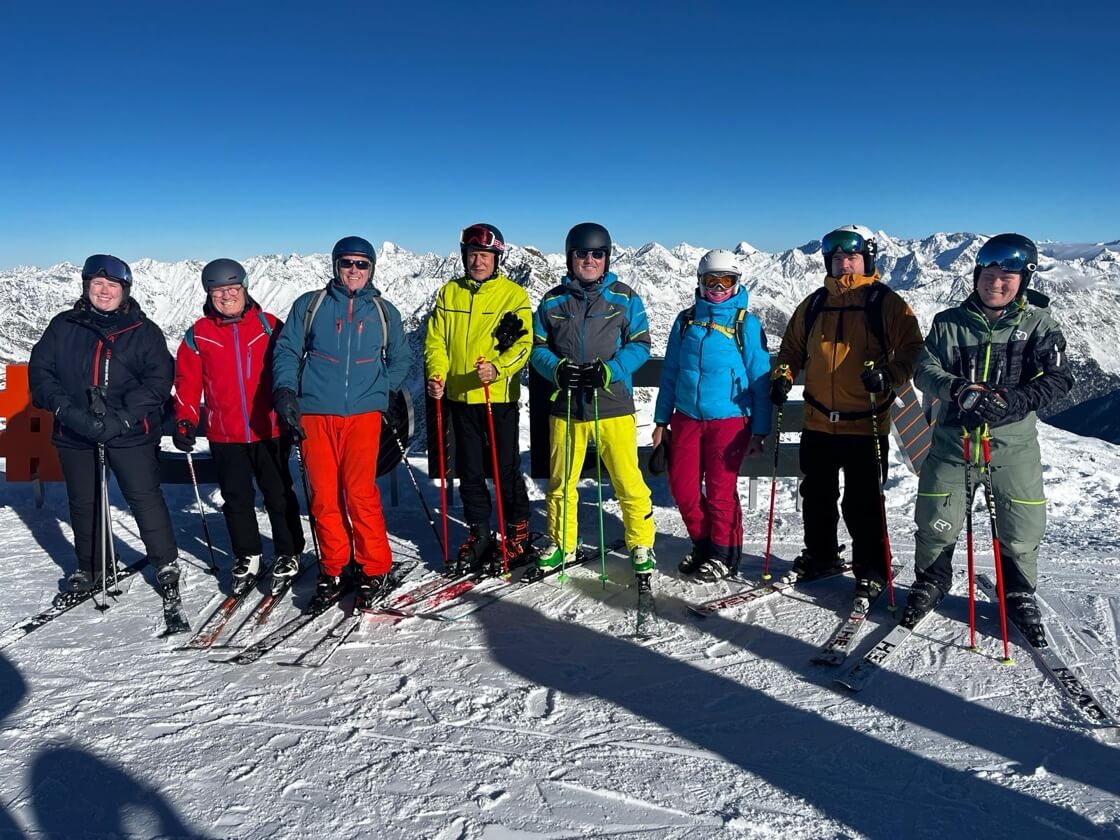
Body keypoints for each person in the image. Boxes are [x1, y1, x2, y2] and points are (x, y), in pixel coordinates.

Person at [904, 233, 1072, 643]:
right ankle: (932, 580)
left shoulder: (1038, 325)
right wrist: (958, 389)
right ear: (977, 274)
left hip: (1011, 445)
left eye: (1007, 276)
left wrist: (1015, 400)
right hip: (952, 441)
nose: (996, 283)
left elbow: (1060, 378)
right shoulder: (948, 323)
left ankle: (1018, 591)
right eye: (989, 274)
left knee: (1021, 522)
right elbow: (924, 370)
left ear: (1024, 281)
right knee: (936, 517)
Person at [771, 224, 923, 603]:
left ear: (867, 259)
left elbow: (912, 349)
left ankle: (871, 569)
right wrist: (783, 376)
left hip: (865, 422)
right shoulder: (814, 304)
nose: (843, 264)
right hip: (818, 421)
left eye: (851, 257)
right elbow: (790, 350)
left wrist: (889, 375)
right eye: (837, 258)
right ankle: (821, 554)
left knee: (863, 501)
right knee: (816, 495)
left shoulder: (885, 303)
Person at [28, 254, 180, 605]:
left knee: (144, 497)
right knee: (84, 500)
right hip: (74, 430)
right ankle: (91, 565)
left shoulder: (143, 331)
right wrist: (67, 410)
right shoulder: (63, 326)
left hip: (131, 431)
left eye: (112, 285)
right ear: (86, 287)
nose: (104, 291)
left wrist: (123, 418)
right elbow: (41, 374)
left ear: (125, 291)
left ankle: (164, 561)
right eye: (97, 284)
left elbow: (158, 381)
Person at [271, 237, 409, 611]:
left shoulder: (384, 312)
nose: (353, 270)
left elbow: (400, 358)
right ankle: (335, 567)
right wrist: (285, 390)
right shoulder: (310, 305)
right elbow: (287, 349)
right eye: (346, 263)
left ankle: (374, 567)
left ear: (371, 269)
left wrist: (380, 393)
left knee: (360, 493)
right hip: (314, 414)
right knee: (323, 496)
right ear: (335, 266)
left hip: (363, 417)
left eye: (361, 264)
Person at [530, 222, 656, 577]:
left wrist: (611, 371)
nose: (589, 260)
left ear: (606, 258)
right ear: (570, 258)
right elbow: (537, 349)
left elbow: (640, 344)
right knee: (561, 481)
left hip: (612, 404)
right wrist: (556, 370)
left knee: (627, 479)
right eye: (582, 254)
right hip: (566, 405)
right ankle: (562, 542)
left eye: (596, 254)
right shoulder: (552, 300)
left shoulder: (625, 297)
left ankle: (640, 542)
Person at [173, 258, 305, 589]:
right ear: (208, 294)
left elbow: (290, 369)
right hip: (225, 432)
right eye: (218, 291)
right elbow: (188, 382)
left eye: (232, 289)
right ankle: (248, 554)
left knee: (278, 493)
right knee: (236, 498)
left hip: (269, 427)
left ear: (245, 289)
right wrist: (186, 420)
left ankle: (289, 551)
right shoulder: (199, 335)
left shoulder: (269, 325)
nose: (226, 296)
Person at [653, 249, 772, 581]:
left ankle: (724, 553)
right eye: (711, 280)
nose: (718, 287)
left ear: (737, 284)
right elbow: (671, 373)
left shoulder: (745, 324)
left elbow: (761, 381)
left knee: (721, 491)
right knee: (683, 488)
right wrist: (661, 421)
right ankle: (703, 544)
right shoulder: (685, 320)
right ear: (700, 282)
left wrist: (760, 431)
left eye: (726, 280)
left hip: (730, 421)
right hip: (686, 418)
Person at [424, 223, 533, 574]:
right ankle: (481, 532)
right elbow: (435, 341)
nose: (478, 261)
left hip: (496, 397)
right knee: (469, 471)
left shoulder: (513, 295)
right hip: (458, 396)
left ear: (496, 258)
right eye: (472, 255)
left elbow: (524, 345)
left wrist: (498, 369)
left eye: (485, 255)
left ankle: (518, 531)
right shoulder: (448, 293)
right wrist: (437, 374)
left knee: (504, 470)